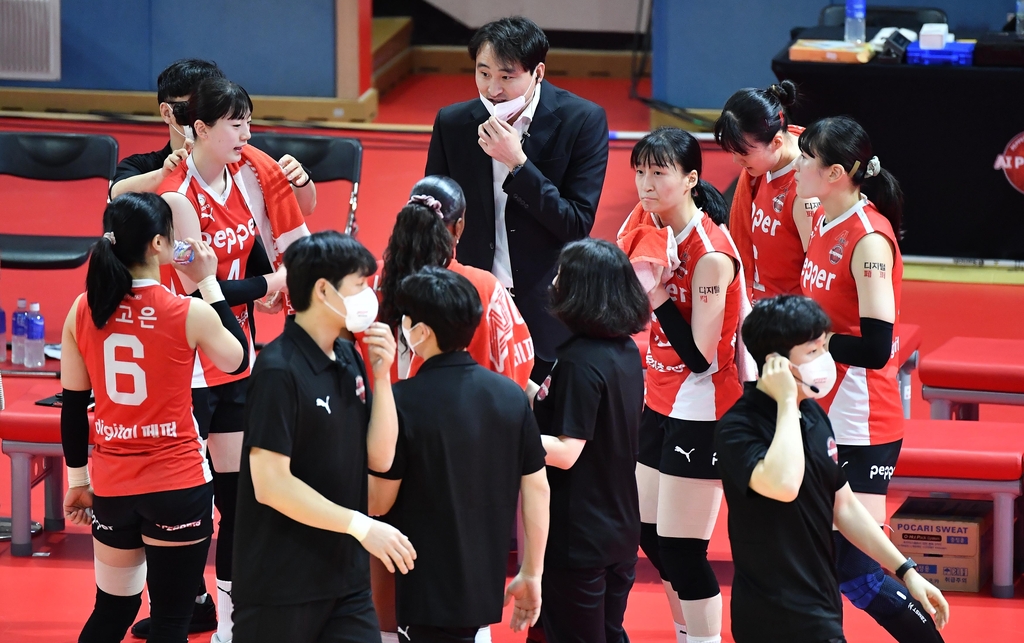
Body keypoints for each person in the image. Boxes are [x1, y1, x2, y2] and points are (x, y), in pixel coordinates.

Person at [158, 75, 308, 643]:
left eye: (249, 122)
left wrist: (272, 282)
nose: (247, 133)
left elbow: (287, 252)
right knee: (187, 507)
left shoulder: (253, 175)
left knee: (237, 497)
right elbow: (195, 281)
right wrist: (266, 281)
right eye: (234, 124)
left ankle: (229, 623)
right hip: (183, 364)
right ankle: (183, 608)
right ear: (199, 128)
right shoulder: (176, 191)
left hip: (236, 360)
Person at [60, 192, 248, 643]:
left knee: (112, 610)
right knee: (169, 622)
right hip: (176, 484)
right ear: (160, 245)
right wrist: (208, 282)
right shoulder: (189, 311)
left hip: (112, 484)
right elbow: (238, 361)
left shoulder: (83, 308)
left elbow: (71, 405)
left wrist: (78, 482)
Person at [715, 295, 949, 643]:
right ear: (776, 363)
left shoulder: (813, 415)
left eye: (824, 347)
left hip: (820, 606)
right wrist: (784, 404)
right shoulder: (738, 428)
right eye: (812, 352)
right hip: (768, 613)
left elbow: (844, 506)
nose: (824, 360)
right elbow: (784, 483)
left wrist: (907, 571)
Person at [795, 116, 944, 642]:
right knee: (821, 562)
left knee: (855, 573)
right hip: (823, 407)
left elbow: (878, 349)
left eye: (806, 158)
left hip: (862, 420)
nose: (796, 165)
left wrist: (809, 341)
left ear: (835, 172)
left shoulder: (868, 242)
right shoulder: (822, 218)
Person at [232, 231, 415, 643]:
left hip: (345, 581)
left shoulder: (348, 355)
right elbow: (271, 485)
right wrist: (360, 525)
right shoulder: (278, 370)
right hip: (279, 586)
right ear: (323, 290)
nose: (369, 296)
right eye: (359, 285)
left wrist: (383, 379)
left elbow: (379, 459)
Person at [368, 266, 549, 643]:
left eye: (406, 319)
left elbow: (379, 501)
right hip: (482, 589)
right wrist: (532, 571)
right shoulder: (511, 397)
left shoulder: (401, 402)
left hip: (423, 591)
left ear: (421, 332)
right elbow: (537, 489)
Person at [425, 15, 609, 381]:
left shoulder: (582, 120)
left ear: (537, 72)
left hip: (547, 304)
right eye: (483, 73)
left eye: (507, 76)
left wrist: (518, 164)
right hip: (471, 299)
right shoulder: (453, 122)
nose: (492, 88)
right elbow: (434, 214)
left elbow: (575, 224)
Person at [624, 128, 742, 643]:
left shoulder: (711, 253)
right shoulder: (643, 220)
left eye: (659, 173)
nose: (646, 184)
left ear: (691, 179)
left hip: (705, 403)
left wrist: (655, 295)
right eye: (640, 171)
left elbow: (699, 357)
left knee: (682, 548)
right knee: (647, 533)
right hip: (658, 393)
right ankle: (684, 634)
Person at [531, 238, 647, 643]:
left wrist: (505, 435)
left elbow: (565, 452)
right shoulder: (626, 350)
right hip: (618, 528)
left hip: (578, 537)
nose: (555, 281)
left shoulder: (580, 361)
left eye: (563, 275)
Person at [378, 175, 534, 385]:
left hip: (378, 411)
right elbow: (515, 365)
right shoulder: (483, 287)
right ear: (459, 226)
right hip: (461, 412)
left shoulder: (369, 279)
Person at [110, 58, 317, 217]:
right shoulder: (144, 166)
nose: (199, 119)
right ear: (166, 112)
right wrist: (165, 175)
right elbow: (117, 196)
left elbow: (303, 209)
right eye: (191, 109)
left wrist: (302, 181)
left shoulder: (243, 163)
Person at [713, 81, 819, 302]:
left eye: (743, 153)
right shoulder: (765, 164)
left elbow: (820, 275)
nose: (736, 161)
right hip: (762, 305)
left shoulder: (807, 191)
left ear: (777, 142)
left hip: (793, 317)